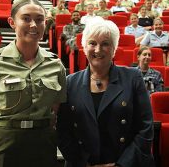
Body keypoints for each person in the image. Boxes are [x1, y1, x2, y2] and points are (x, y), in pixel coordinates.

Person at [0, 0, 66, 166]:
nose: (34, 25)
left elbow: (53, 114)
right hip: (3, 143)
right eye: (26, 19)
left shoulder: (56, 66)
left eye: (39, 19)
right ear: (12, 22)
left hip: (43, 144)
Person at [57, 17, 155, 166]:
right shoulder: (70, 82)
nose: (98, 50)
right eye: (92, 43)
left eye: (105, 44)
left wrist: (121, 165)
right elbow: (63, 131)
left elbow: (145, 127)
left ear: (114, 49)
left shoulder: (133, 77)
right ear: (84, 47)